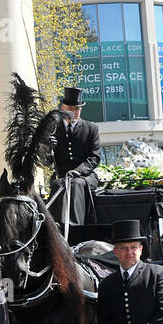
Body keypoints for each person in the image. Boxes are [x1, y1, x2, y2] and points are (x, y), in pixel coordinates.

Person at [51, 86, 101, 226]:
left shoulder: (91, 128)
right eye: (71, 108)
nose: (74, 112)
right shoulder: (53, 129)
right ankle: (56, 225)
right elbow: (46, 161)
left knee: (75, 184)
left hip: (86, 176)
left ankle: (74, 225)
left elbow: (94, 157)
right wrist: (46, 147)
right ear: (63, 108)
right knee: (57, 185)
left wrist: (78, 171)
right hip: (61, 176)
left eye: (77, 109)